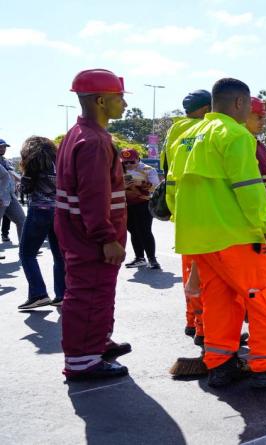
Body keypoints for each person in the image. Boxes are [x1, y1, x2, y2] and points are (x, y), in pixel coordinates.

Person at [171, 77, 266, 388]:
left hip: (201, 239)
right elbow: (249, 188)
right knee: (263, 299)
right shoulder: (236, 135)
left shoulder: (187, 138)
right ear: (240, 103)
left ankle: (221, 364)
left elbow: (172, 191)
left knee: (219, 301)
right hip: (237, 236)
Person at [56, 68, 131, 381]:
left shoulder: (80, 133)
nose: (124, 104)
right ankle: (82, 360)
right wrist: (106, 238)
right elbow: (93, 195)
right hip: (93, 237)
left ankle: (96, 341)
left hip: (80, 233)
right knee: (90, 293)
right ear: (101, 101)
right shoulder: (94, 141)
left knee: (96, 292)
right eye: (119, 98)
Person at [164, 89, 211, 341]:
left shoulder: (175, 132)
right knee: (204, 273)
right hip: (204, 211)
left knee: (189, 272)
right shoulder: (204, 131)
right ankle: (204, 329)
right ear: (206, 109)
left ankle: (191, 321)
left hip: (182, 211)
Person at [16, 137, 66, 310]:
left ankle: (38, 294)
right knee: (59, 255)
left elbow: (25, 189)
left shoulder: (35, 163)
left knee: (27, 253)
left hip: (39, 210)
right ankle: (62, 294)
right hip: (59, 211)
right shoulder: (59, 162)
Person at [122, 149, 161, 270]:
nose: (128, 165)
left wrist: (141, 183)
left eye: (131, 162)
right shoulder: (118, 169)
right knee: (133, 231)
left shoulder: (148, 169)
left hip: (143, 203)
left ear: (138, 159)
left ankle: (152, 260)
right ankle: (139, 258)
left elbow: (156, 186)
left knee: (145, 231)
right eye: (125, 162)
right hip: (126, 204)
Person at [0, 139, 25, 244]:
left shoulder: (5, 161)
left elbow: (13, 175)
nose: (3, 148)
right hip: (0, 197)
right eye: (1, 146)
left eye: (5, 147)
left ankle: (25, 250)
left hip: (9, 196)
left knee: (21, 220)